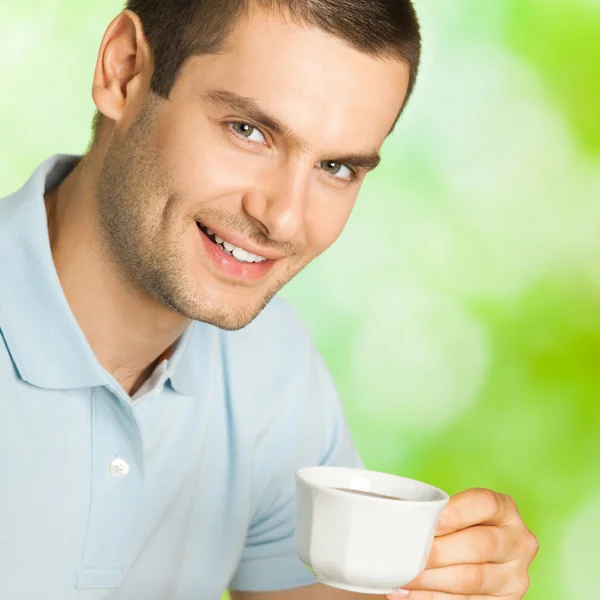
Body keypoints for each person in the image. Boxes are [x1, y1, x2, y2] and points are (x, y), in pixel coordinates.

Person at [0, 1, 538, 599]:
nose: (283, 218)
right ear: (124, 71)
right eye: (249, 131)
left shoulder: (272, 365)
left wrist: (440, 582)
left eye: (336, 167)